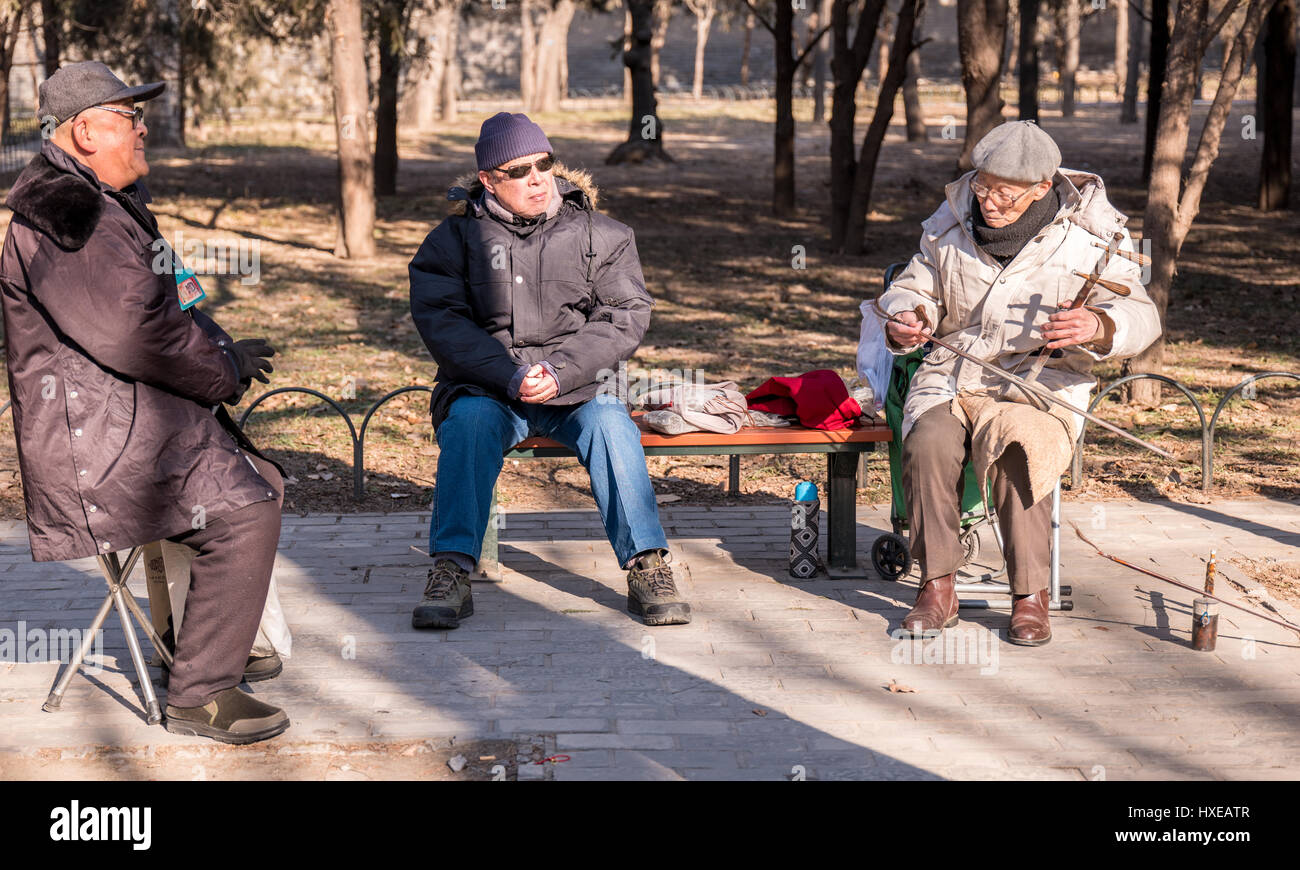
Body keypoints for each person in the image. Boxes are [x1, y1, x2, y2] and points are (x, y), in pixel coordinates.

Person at [0, 62, 289, 742]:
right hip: (96, 448)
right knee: (244, 506)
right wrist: (222, 372)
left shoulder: (96, 201)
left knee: (258, 482)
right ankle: (201, 691)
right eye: (129, 117)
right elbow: (139, 336)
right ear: (85, 131)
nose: (142, 129)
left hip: (124, 421)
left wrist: (222, 350)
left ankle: (210, 641)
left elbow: (165, 306)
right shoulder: (71, 218)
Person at [877, 120, 1160, 646]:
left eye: (1005, 195)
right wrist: (908, 314)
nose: (989, 202)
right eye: (984, 187)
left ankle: (1030, 596)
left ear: (1042, 190)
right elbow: (914, 286)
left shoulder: (1094, 234)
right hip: (956, 373)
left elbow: (1142, 315)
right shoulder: (950, 220)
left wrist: (1099, 327)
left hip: (1042, 379)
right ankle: (937, 587)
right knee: (929, 442)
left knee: (1020, 448)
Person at [408, 112, 690, 629]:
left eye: (543, 163)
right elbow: (443, 324)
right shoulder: (451, 242)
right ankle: (451, 569)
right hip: (487, 387)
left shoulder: (603, 235)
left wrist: (560, 371)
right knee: (468, 426)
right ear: (489, 180)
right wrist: (509, 375)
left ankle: (648, 564)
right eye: (518, 171)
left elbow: (624, 316)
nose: (536, 178)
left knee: (611, 425)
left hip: (579, 388)